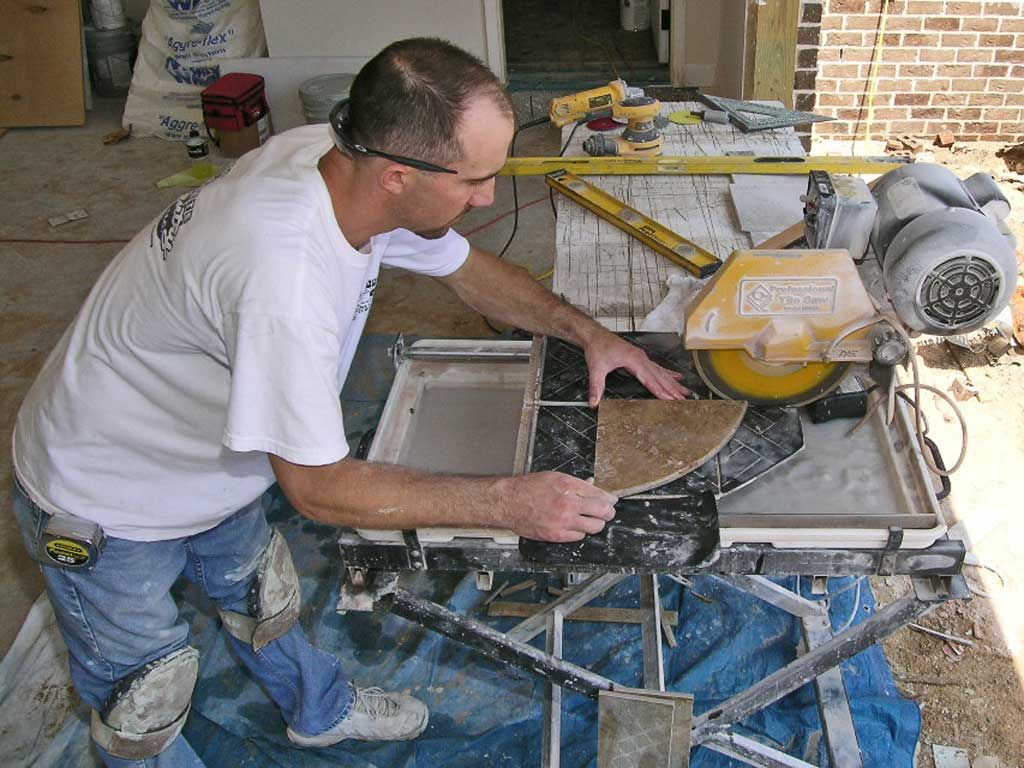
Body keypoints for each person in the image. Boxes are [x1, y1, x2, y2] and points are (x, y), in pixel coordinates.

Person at [11, 37, 690, 767]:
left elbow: (465, 270)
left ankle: (319, 712)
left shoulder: (334, 161)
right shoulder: (284, 277)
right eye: (477, 180)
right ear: (399, 174)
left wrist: (587, 334)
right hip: (108, 494)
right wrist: (508, 502)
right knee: (145, 694)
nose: (489, 198)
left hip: (210, 457)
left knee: (263, 602)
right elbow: (318, 486)